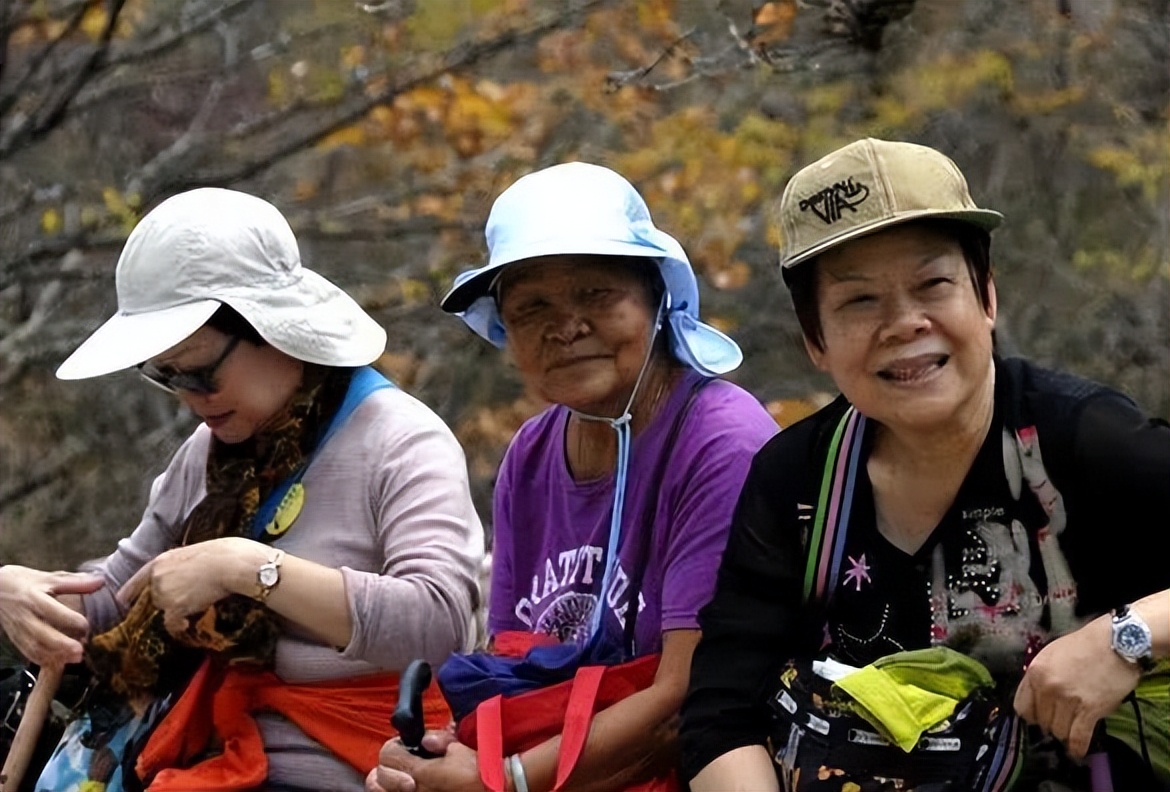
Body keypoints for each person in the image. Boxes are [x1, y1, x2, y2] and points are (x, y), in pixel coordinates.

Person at [679, 138, 1170, 791]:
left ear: (986, 299)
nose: (905, 323)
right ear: (815, 340)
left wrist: (1128, 637)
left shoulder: (1084, 439)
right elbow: (721, 717)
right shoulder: (798, 482)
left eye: (933, 284)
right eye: (860, 301)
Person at [0, 187, 485, 791]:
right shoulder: (205, 455)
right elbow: (118, 595)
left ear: (274, 329)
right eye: (165, 376)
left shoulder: (401, 439)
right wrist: (25, 593)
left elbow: (437, 623)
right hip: (193, 758)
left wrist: (249, 568)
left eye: (201, 371)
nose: (189, 398)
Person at [366, 162, 779, 792]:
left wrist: (499, 781)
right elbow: (517, 667)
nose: (566, 326)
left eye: (596, 294)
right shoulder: (531, 455)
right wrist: (446, 760)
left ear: (657, 300)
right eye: (532, 308)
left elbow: (689, 698)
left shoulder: (720, 442)